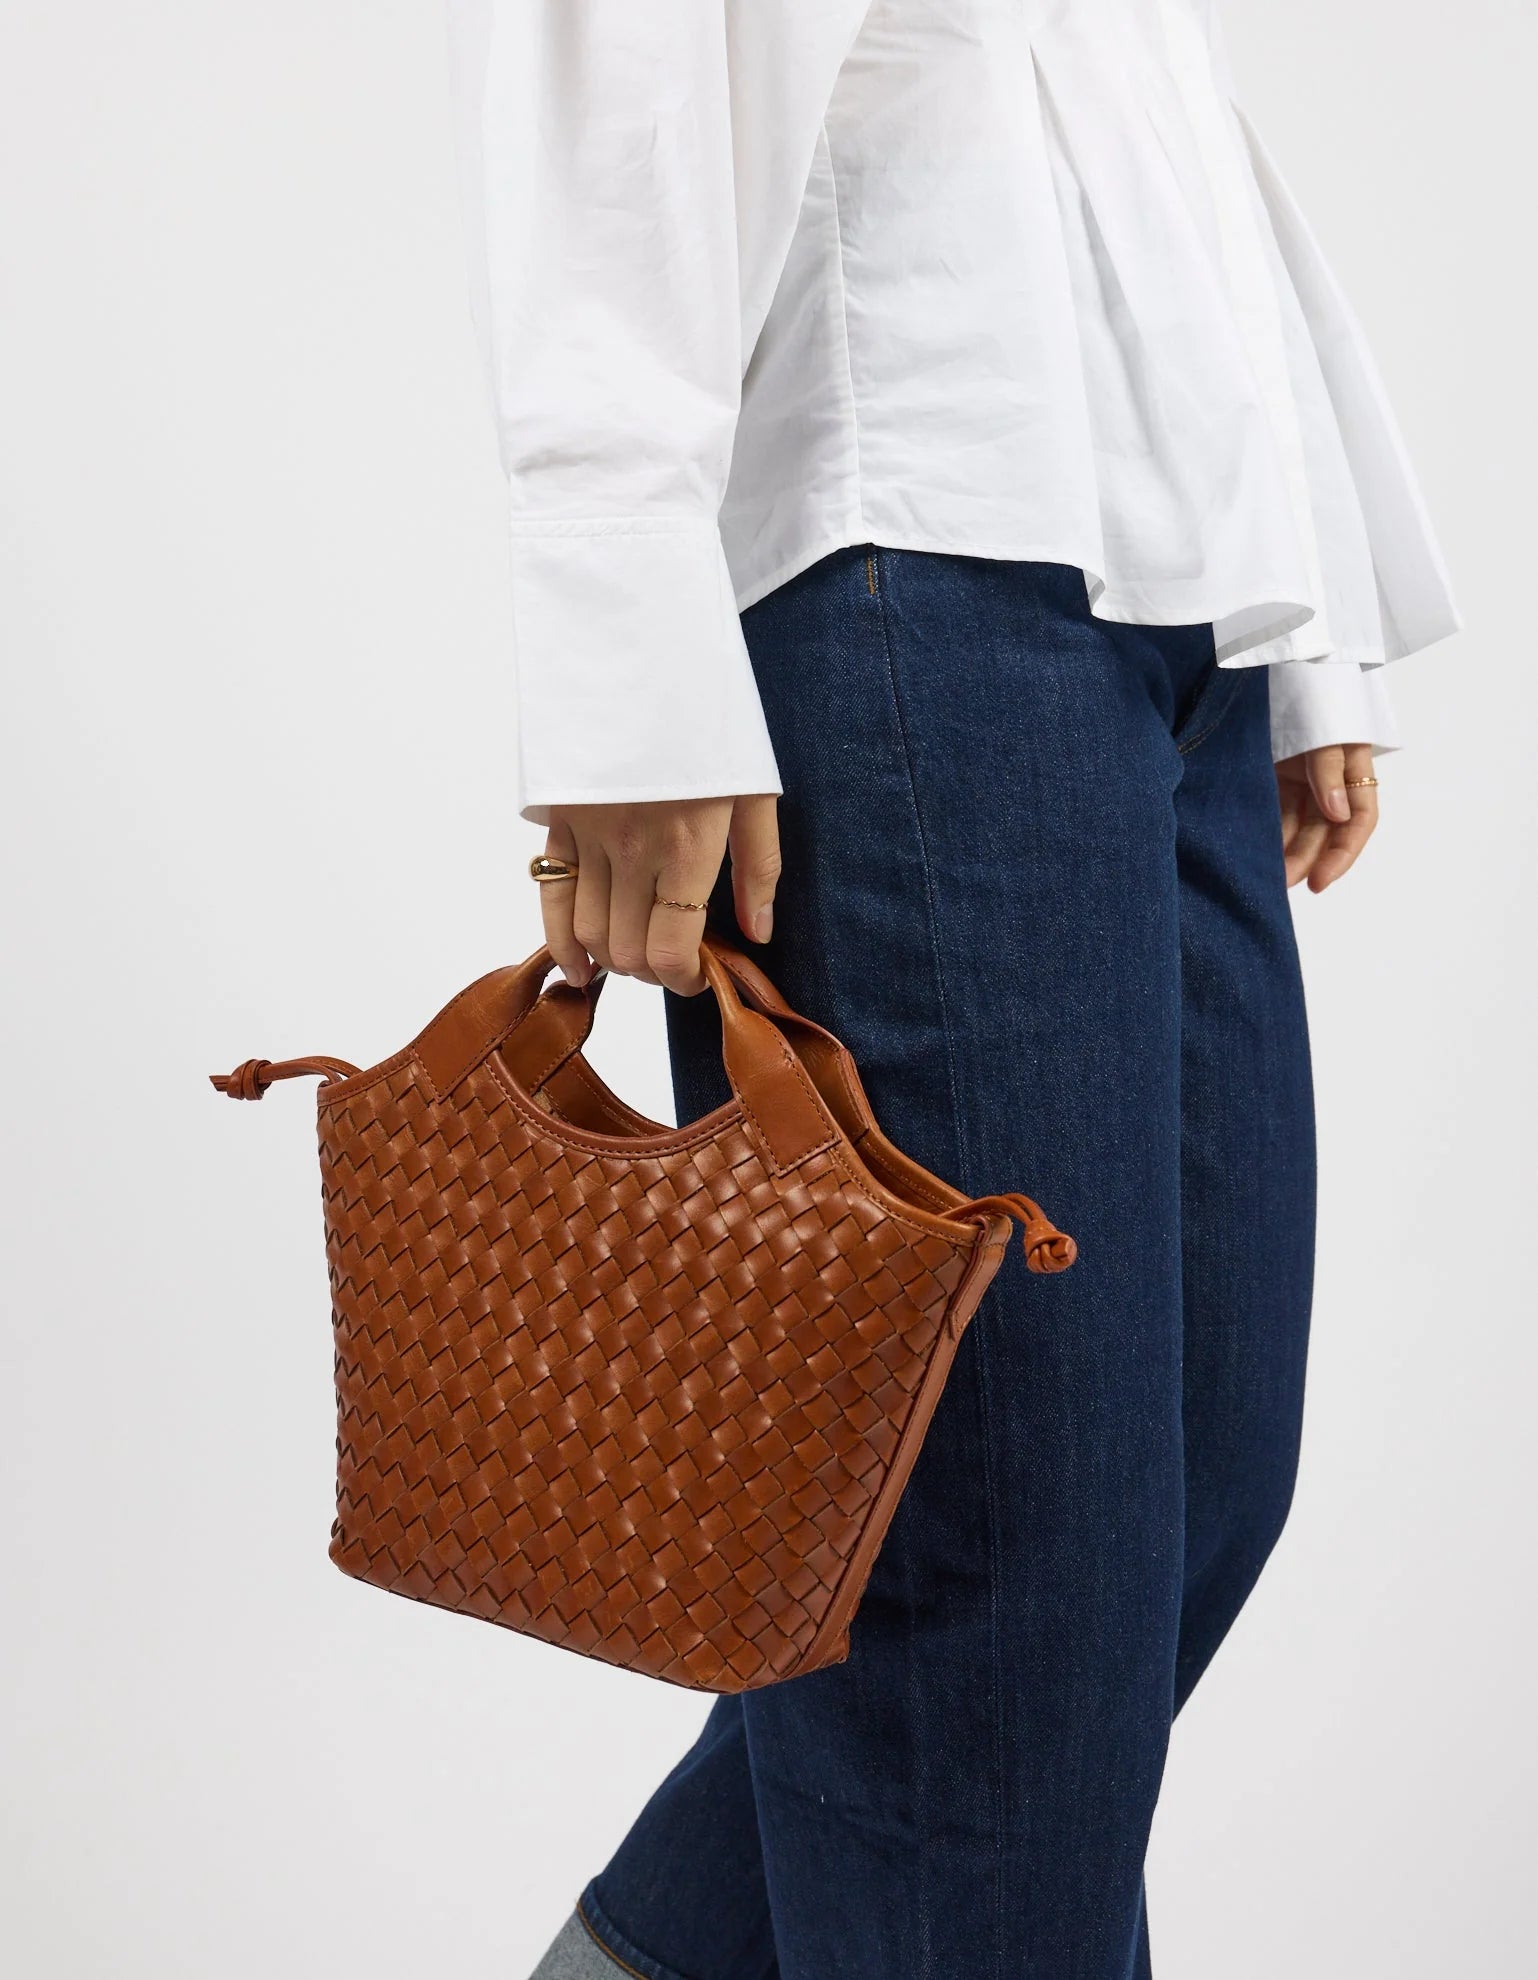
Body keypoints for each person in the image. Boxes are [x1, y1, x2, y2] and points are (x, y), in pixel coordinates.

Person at [445, 4, 1458, 1975]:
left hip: (1171, 589)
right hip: (898, 557)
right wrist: (624, 645)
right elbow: (609, 56)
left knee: (1181, 1489)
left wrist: (1300, 596)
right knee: (995, 1580)